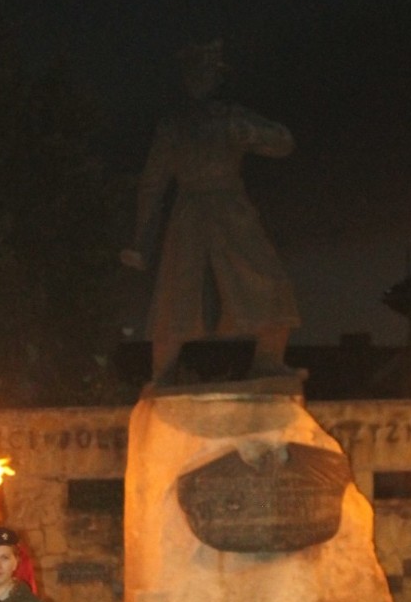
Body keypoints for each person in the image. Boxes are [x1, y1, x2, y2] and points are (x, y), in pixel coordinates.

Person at [120, 39, 301, 382]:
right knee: (177, 291)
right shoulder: (174, 124)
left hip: (231, 207)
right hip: (190, 211)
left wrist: (245, 130)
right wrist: (141, 241)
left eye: (207, 72)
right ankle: (163, 373)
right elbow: (153, 184)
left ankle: (268, 361)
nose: (200, 79)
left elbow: (282, 142)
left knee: (268, 279)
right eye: (195, 72)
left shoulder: (231, 115)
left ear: (217, 79)